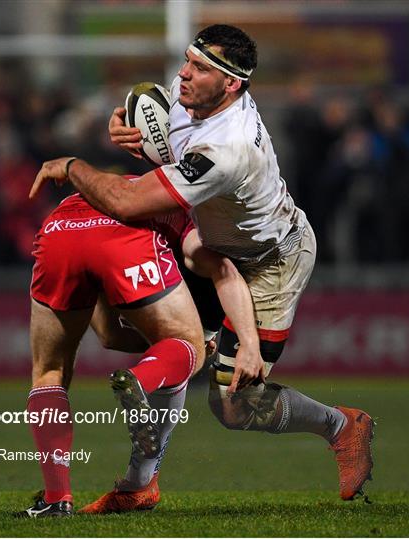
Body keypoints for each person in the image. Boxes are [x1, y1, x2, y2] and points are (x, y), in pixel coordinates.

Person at [30, 24, 374, 505]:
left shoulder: (227, 148)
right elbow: (151, 120)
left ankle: (342, 425)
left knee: (235, 405)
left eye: (199, 68)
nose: (183, 75)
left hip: (270, 262)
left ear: (232, 84)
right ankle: (138, 484)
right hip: (214, 244)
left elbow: (129, 203)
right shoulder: (195, 93)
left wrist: (73, 167)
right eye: (188, 61)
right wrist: (121, 125)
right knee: (162, 341)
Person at [19, 190, 262, 517]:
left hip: (59, 230)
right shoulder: (184, 212)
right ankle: (138, 380)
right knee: (191, 345)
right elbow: (221, 270)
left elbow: (109, 335)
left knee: (49, 371)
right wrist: (245, 341)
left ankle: (56, 498)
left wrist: (160, 351)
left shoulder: (102, 191)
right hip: (124, 236)